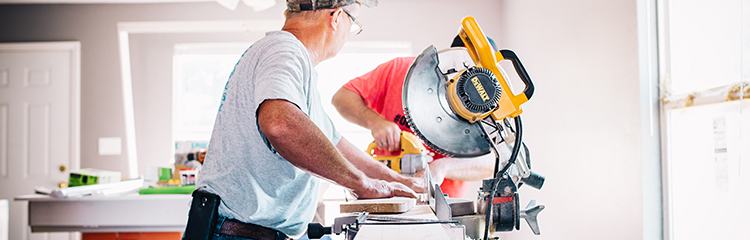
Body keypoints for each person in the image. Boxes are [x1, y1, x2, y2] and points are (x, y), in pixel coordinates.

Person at [194, 1, 424, 239]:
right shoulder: (284, 50)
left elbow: (335, 144)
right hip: (237, 233)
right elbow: (280, 125)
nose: (349, 32)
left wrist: (394, 180)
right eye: (353, 22)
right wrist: (362, 185)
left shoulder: (288, 60)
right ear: (336, 17)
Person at [331, 37, 499, 198]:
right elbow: (342, 97)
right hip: (384, 193)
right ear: (450, 56)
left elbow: (495, 162)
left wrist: (443, 167)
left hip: (443, 205)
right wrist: (375, 122)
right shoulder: (401, 70)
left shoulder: (487, 107)